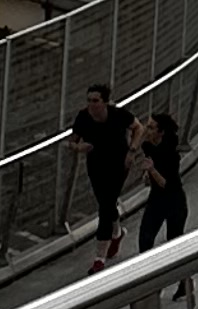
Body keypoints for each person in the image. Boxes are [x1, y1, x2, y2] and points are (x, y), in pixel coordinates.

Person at [69, 83, 130, 266]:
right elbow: (72, 142)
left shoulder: (117, 115)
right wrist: (79, 147)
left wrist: (133, 151)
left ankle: (99, 257)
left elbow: (138, 128)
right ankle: (117, 233)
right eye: (89, 100)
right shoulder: (83, 117)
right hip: (96, 166)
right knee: (106, 202)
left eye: (95, 101)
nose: (91, 104)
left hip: (118, 165)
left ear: (105, 102)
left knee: (105, 206)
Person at [132, 106, 188, 252]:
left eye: (151, 128)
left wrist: (152, 170)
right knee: (145, 240)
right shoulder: (148, 147)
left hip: (174, 200)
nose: (146, 130)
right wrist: (147, 175)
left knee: (174, 242)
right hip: (156, 198)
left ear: (161, 132)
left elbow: (167, 185)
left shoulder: (171, 155)